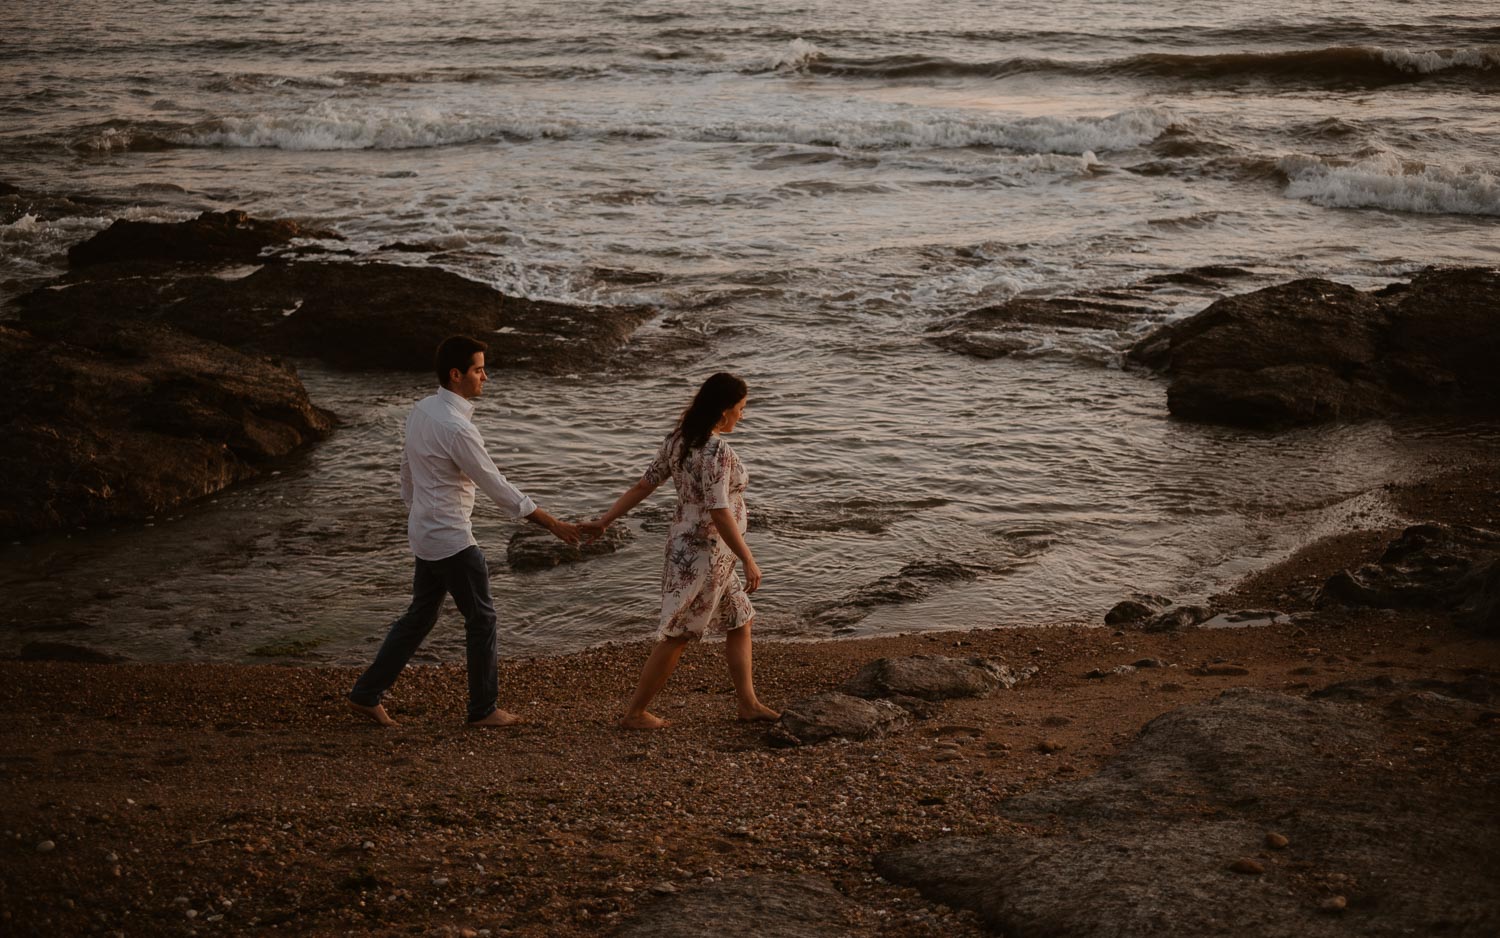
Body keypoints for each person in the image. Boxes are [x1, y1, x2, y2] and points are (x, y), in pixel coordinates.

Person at [348, 335, 580, 728]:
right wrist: (554, 524)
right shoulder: (456, 428)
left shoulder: (422, 410)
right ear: (456, 375)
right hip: (451, 539)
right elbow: (496, 486)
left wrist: (419, 513)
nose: (485, 376)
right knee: (482, 619)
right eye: (478, 369)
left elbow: (406, 472)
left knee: (419, 617)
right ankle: (483, 709)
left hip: (425, 532)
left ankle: (366, 693)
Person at [582, 372, 779, 729]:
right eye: (740, 409)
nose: (742, 416)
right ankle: (635, 713)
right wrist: (749, 558)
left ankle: (748, 704)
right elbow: (719, 511)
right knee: (679, 633)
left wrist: (605, 520)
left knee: (740, 619)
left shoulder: (678, 440)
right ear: (723, 413)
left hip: (690, 547)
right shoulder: (717, 451)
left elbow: (644, 485)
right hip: (706, 554)